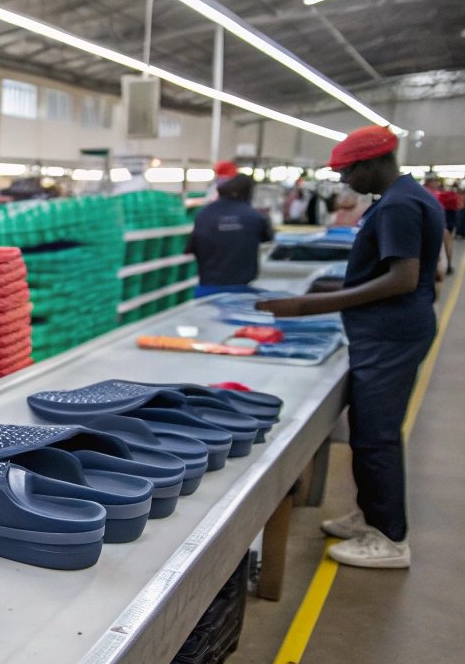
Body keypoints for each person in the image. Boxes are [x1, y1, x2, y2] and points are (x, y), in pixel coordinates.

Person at [255, 125, 443, 570]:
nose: (343, 182)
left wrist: (309, 305)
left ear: (373, 163)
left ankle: (390, 538)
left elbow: (403, 278)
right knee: (368, 429)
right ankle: (374, 515)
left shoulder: (399, 206)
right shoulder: (404, 198)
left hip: (391, 333)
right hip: (390, 329)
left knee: (376, 435)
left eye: (347, 172)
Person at [187, 173, 272, 296]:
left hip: (206, 286)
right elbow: (267, 237)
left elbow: (191, 247)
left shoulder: (203, 214)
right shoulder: (255, 216)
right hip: (241, 287)